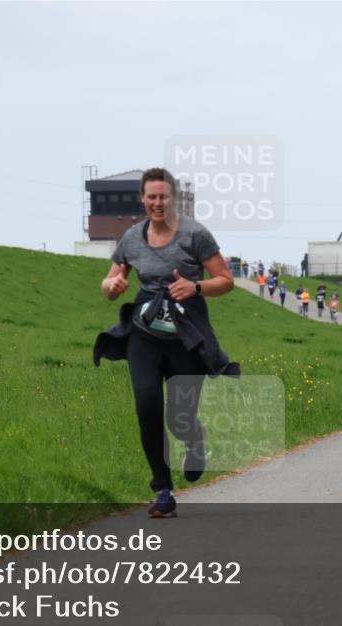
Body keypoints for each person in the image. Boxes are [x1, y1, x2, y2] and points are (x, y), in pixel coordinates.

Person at [94, 167, 237, 518]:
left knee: (181, 415)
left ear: (174, 198)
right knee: (147, 406)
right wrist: (111, 287)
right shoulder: (131, 238)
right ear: (143, 199)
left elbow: (225, 280)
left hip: (186, 337)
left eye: (164, 196)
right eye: (151, 197)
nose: (157, 203)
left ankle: (194, 440)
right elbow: (112, 281)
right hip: (144, 334)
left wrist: (196, 287)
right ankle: (162, 489)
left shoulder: (194, 235)